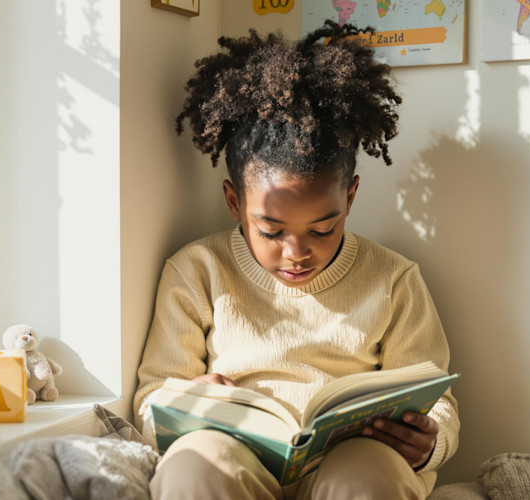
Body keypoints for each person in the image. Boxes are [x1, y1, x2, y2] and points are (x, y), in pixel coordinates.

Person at [132, 21, 459, 500]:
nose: (296, 252)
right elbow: (150, 401)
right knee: (193, 465)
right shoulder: (197, 270)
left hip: (347, 466)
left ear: (350, 198)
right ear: (233, 202)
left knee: (369, 473)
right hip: (238, 460)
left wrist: (429, 440)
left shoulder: (393, 279)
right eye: (270, 231)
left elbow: (439, 403)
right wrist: (189, 401)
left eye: (323, 230)